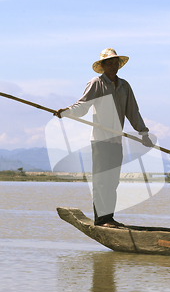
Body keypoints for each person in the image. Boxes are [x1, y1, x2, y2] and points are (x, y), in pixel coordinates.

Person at [54, 47, 153, 228]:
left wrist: (144, 133)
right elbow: (82, 105)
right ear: (103, 65)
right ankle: (101, 220)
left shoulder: (124, 86)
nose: (114, 66)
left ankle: (109, 218)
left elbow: (133, 111)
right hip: (100, 141)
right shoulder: (96, 83)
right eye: (110, 63)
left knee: (113, 181)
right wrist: (66, 112)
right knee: (101, 181)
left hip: (116, 141)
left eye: (116, 63)